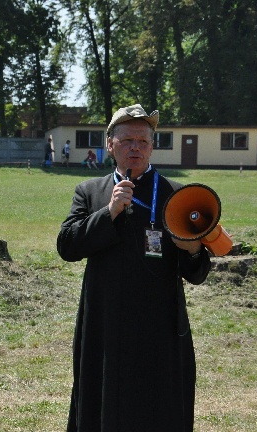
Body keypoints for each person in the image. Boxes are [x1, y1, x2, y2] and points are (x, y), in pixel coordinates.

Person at [57, 104, 212, 431]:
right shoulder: (90, 192)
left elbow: (197, 273)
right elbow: (67, 246)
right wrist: (109, 212)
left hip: (159, 326)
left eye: (143, 141)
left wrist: (194, 249)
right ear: (110, 145)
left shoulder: (177, 195)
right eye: (127, 141)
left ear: (152, 146)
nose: (135, 148)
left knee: (158, 407)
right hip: (105, 322)